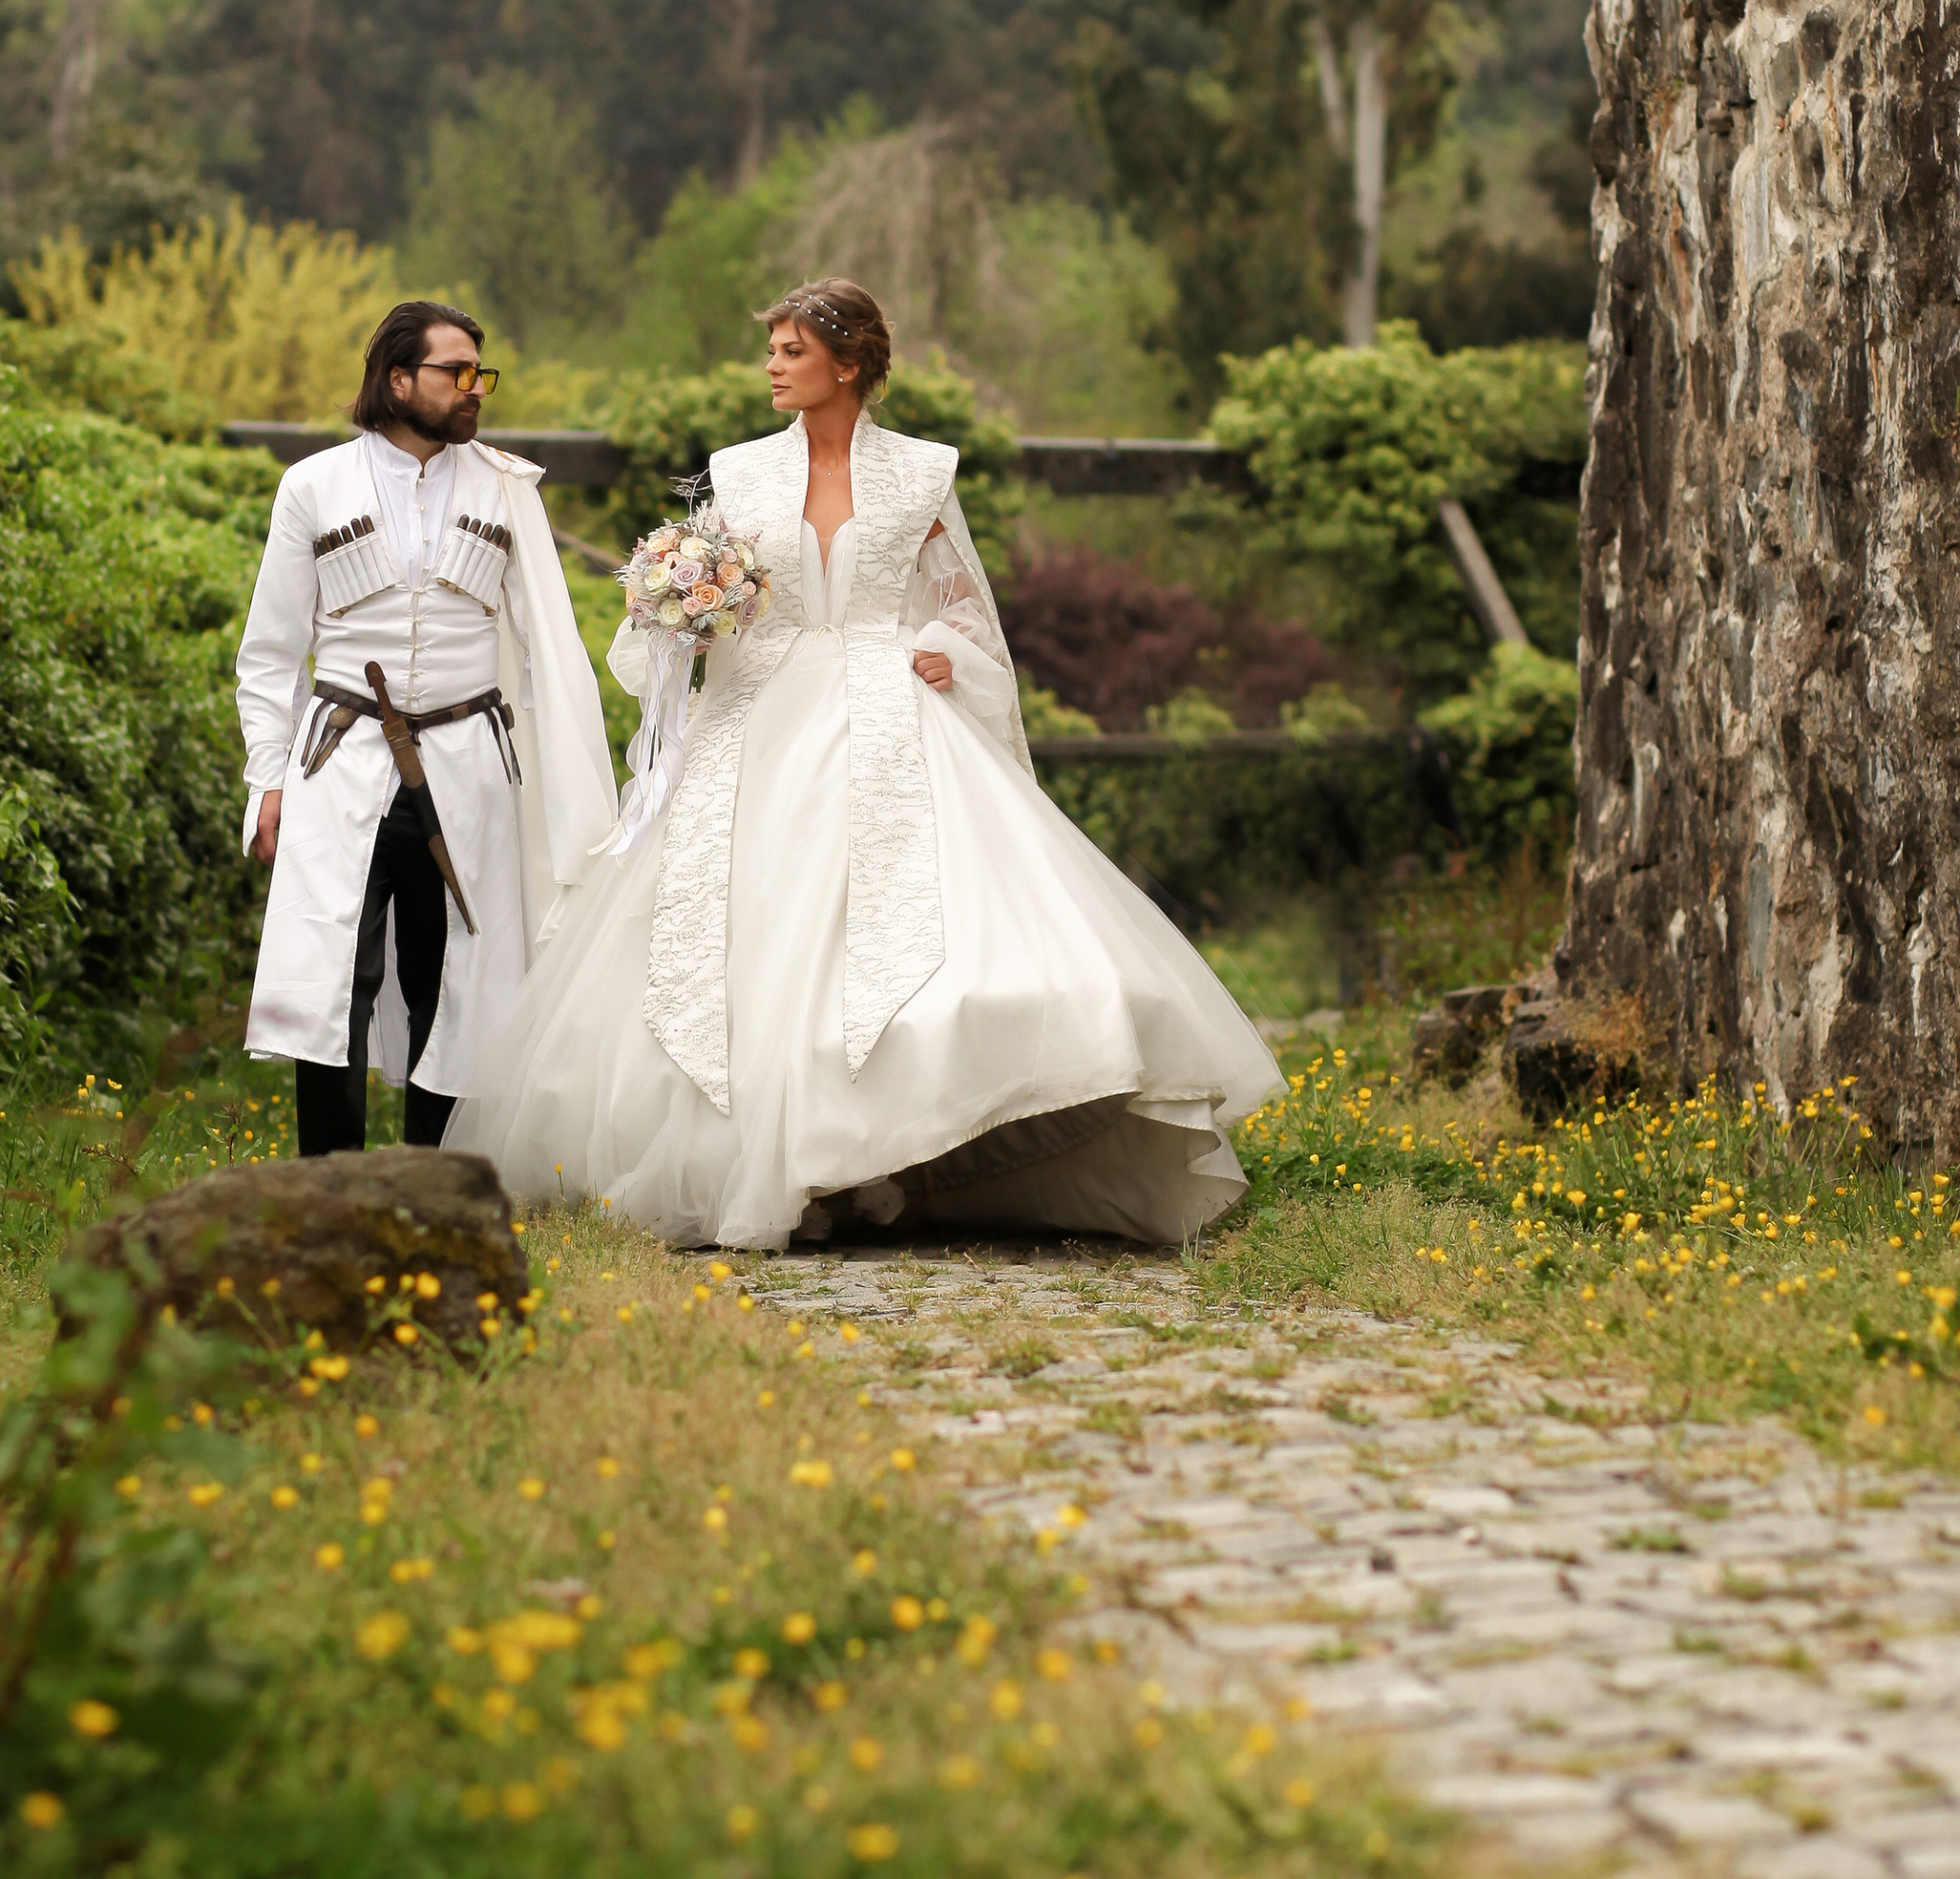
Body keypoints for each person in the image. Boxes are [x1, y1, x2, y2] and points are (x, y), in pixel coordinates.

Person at [446, 278, 1280, 1245]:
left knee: (910, 936)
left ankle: (894, 1151)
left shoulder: (922, 473)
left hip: (892, 708)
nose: (771, 366)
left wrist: (947, 651)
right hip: (759, 717)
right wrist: (684, 616)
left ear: (847, 363)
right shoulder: (741, 471)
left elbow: (965, 608)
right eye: (771, 350)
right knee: (740, 939)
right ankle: (769, 1163)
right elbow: (705, 613)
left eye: (790, 351)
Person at [235, 299, 617, 1155]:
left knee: (452, 981)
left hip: (468, 763)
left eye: (481, 373)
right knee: (337, 973)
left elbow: (548, 643)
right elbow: (270, 650)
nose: (474, 388)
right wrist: (267, 778)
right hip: (341, 759)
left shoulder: (507, 490)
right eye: (456, 372)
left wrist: (566, 783)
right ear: (399, 378)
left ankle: (431, 1183)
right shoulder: (314, 485)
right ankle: (329, 1182)